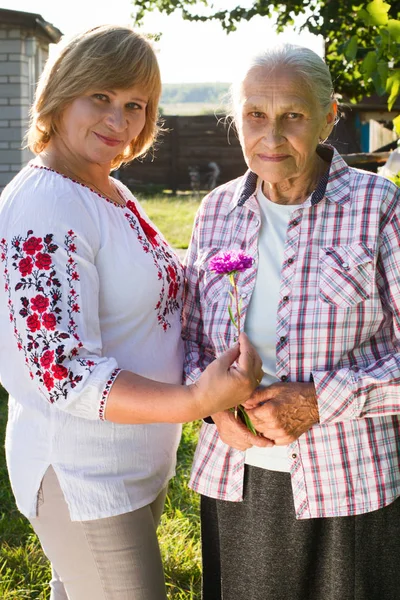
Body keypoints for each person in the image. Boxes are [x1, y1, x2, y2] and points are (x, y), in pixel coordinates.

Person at [0, 25, 263, 600]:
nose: (118, 122)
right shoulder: (46, 205)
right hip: (84, 475)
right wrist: (197, 401)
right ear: (61, 93)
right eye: (101, 97)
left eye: (135, 105)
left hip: (130, 463)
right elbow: (62, 372)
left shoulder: (107, 191)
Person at [182, 44, 400, 600]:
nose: (271, 137)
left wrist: (319, 400)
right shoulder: (215, 212)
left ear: (329, 116)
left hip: (351, 482)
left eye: (293, 116)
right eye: (255, 114)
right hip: (239, 479)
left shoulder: (379, 207)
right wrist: (210, 410)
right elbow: (187, 342)